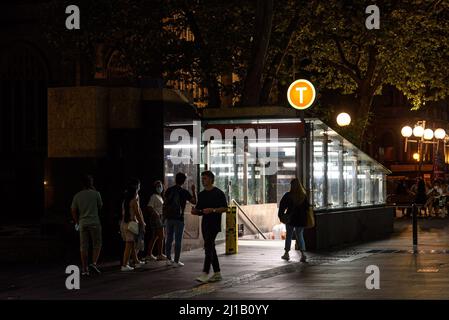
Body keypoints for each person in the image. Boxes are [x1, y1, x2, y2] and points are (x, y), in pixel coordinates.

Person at [191, 171, 228, 283]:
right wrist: (196, 212)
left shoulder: (218, 193)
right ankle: (217, 273)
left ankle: (205, 272)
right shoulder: (201, 195)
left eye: (205, 178)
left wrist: (213, 210)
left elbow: (225, 208)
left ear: (211, 179)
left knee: (208, 246)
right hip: (205, 224)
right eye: (202, 178)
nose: (203, 180)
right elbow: (200, 210)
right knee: (210, 247)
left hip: (214, 224)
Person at [71, 174, 103, 276]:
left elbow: (73, 210)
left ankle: (84, 269)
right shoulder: (96, 194)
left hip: (83, 223)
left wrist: (77, 222)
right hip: (94, 222)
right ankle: (93, 263)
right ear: (91, 183)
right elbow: (100, 206)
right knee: (97, 244)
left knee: (83, 247)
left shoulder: (77, 195)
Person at [164, 173, 197, 267]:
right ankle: (176, 261)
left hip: (169, 218)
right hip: (179, 219)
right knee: (178, 240)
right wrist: (193, 191)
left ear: (175, 180)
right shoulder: (184, 192)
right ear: (183, 181)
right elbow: (195, 202)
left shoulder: (169, 190)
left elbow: (165, 203)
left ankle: (168, 259)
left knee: (169, 239)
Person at [278, 178, 308, 263]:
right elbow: (307, 208)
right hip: (301, 219)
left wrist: (281, 215)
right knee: (300, 235)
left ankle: (286, 253)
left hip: (290, 219)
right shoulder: (303, 195)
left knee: (289, 236)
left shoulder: (288, 195)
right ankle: (303, 254)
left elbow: (282, 206)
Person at [120, 180, 146, 272]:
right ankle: (124, 265)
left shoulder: (126, 200)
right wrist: (142, 224)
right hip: (131, 225)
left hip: (124, 224)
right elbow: (138, 214)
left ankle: (136, 261)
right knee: (129, 245)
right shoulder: (134, 201)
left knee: (131, 245)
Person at [145, 180, 166, 261]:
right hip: (157, 218)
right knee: (161, 236)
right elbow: (149, 207)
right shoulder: (154, 196)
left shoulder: (160, 196)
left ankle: (149, 254)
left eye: (160, 186)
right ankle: (160, 254)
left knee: (155, 237)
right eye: (158, 186)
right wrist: (156, 213)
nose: (159, 187)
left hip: (160, 218)